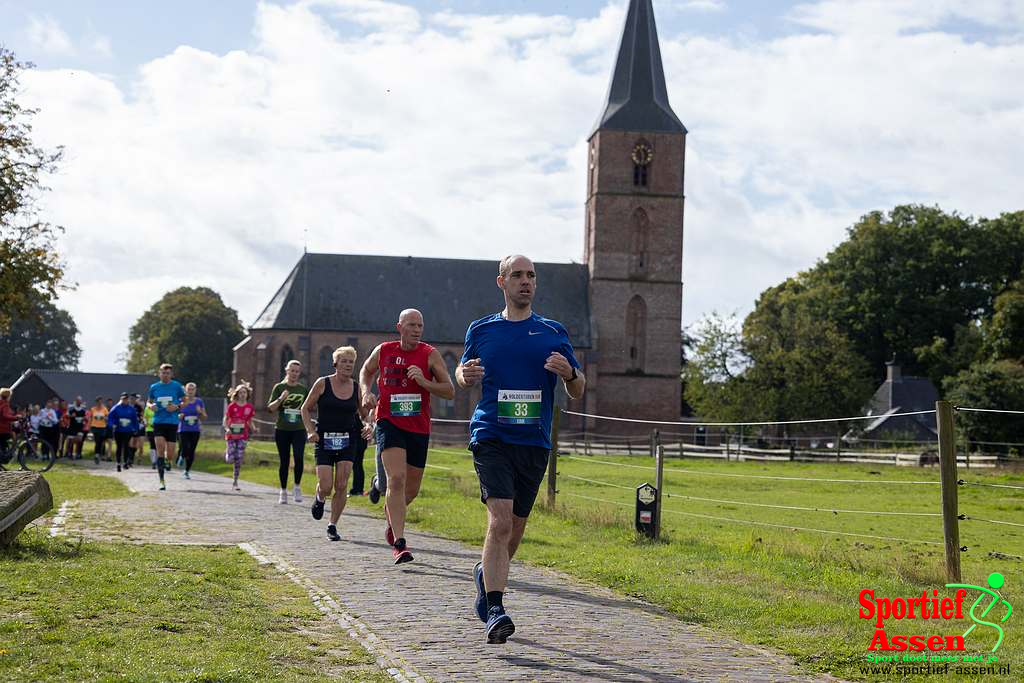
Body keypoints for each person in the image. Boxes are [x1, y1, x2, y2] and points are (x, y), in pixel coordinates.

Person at [456, 254, 586, 644]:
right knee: (499, 521)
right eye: (517, 275)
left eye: (531, 276)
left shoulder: (552, 331)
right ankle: (496, 608)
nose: (525, 281)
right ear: (502, 282)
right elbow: (464, 374)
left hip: (534, 441)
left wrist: (570, 374)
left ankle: (486, 574)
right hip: (492, 434)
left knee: (513, 531)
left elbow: (578, 389)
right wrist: (465, 375)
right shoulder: (481, 329)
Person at [359, 309, 455, 564]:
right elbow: (366, 371)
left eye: (420, 325)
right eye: (411, 325)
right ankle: (400, 544)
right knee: (397, 480)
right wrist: (366, 391)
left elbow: (449, 390)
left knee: (409, 491)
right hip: (389, 421)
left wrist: (424, 381)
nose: (416, 329)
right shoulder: (384, 350)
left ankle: (392, 517)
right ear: (399, 327)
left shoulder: (429, 354)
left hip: (419, 427)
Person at [301, 347, 372, 541]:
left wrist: (368, 425)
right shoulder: (322, 384)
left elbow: (364, 414)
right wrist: (310, 431)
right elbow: (305, 409)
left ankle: (332, 525)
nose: (348, 365)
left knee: (341, 484)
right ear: (335, 364)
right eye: (344, 361)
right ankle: (320, 498)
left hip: (348, 440)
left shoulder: (356, 387)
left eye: (351, 362)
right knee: (326, 485)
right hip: (324, 439)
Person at [267, 359, 308, 504]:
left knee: (299, 457)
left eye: (297, 371)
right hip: (282, 429)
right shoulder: (279, 387)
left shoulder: (303, 389)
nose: (294, 374)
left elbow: (308, 408)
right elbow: (270, 408)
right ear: (287, 371)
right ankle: (283, 491)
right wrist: (281, 398)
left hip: (299, 429)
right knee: (284, 461)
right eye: (292, 371)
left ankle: (297, 487)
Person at [148, 364, 185, 490]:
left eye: (168, 373)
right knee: (160, 451)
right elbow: (149, 401)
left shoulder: (177, 386)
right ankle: (161, 481)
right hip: (158, 421)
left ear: (171, 374)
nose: (165, 375)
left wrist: (177, 407)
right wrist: (150, 406)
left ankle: (168, 461)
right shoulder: (154, 387)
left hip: (172, 422)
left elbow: (184, 401)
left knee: (169, 453)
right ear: (159, 373)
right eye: (163, 372)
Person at [223, 381, 255, 491]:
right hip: (231, 436)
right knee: (230, 459)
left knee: (239, 459)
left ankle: (235, 481)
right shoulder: (232, 406)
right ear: (237, 394)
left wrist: (254, 428)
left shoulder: (249, 407)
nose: (242, 394)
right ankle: (228, 452)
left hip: (243, 436)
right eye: (240, 392)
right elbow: (226, 420)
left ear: (247, 394)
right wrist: (227, 429)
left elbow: (250, 421)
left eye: (244, 392)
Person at [178, 382, 207, 479]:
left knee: (192, 451)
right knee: (185, 447)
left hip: (195, 430)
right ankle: (182, 455)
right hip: (183, 429)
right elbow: (175, 414)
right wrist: (179, 416)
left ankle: (187, 470)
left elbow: (204, 417)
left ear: (195, 391)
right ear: (185, 390)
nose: (190, 391)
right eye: (189, 389)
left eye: (192, 389)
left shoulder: (199, 402)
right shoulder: (181, 401)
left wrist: (200, 412)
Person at [108, 393, 140, 472]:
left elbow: (135, 420)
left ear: (128, 400)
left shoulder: (131, 409)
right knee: (119, 446)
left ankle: (125, 462)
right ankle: (118, 463)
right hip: (118, 430)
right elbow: (110, 417)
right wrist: (112, 425)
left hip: (127, 431)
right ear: (121, 399)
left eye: (126, 399)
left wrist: (136, 428)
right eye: (123, 399)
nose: (125, 400)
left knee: (126, 446)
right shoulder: (116, 408)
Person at [88, 396, 110, 463]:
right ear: (96, 402)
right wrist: (89, 426)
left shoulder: (104, 409)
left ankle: (99, 454)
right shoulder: (93, 409)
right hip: (95, 427)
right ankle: (97, 455)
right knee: (97, 441)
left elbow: (107, 418)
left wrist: (105, 418)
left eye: (101, 401)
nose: (100, 403)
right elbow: (90, 418)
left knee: (101, 441)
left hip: (102, 427)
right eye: (98, 402)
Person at [130, 394, 146, 469]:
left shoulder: (139, 406)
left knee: (141, 445)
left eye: (138, 398)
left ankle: (139, 459)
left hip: (141, 426)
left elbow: (143, 414)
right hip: (133, 427)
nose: (137, 400)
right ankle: (131, 459)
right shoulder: (130, 406)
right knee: (133, 444)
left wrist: (144, 421)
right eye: (136, 398)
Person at [0, 388, 18, 454]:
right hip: (3, 429)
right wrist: (16, 418)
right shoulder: (5, 404)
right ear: (8, 396)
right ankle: (8, 454)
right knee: (12, 436)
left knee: (3, 444)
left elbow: (8, 414)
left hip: (2, 428)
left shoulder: (1, 403)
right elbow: (6, 416)